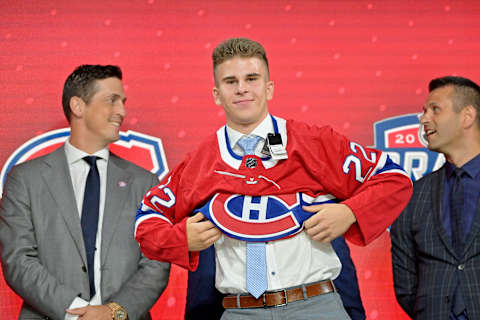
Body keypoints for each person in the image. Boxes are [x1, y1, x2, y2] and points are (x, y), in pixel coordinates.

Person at [135, 38, 412, 319]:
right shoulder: (200, 163)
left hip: (316, 305)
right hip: (240, 310)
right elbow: (147, 222)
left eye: (252, 78)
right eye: (231, 81)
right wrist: (180, 238)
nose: (242, 88)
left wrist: (349, 211)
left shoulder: (313, 143)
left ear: (269, 88)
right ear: (217, 94)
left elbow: (393, 177)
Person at [0, 64, 170, 320]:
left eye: (123, 102)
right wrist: (76, 313)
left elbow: (156, 263)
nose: (121, 111)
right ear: (78, 106)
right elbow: (18, 260)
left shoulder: (144, 183)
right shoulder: (25, 179)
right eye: (111, 100)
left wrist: (113, 312)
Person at [391, 76, 480, 320]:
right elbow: (406, 284)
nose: (424, 119)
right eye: (424, 111)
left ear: (467, 116)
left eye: (435, 110)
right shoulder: (414, 195)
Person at [185, 236, 366, 320]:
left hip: (315, 305)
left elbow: (336, 252)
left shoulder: (311, 175)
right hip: (240, 310)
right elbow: (205, 272)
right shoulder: (212, 182)